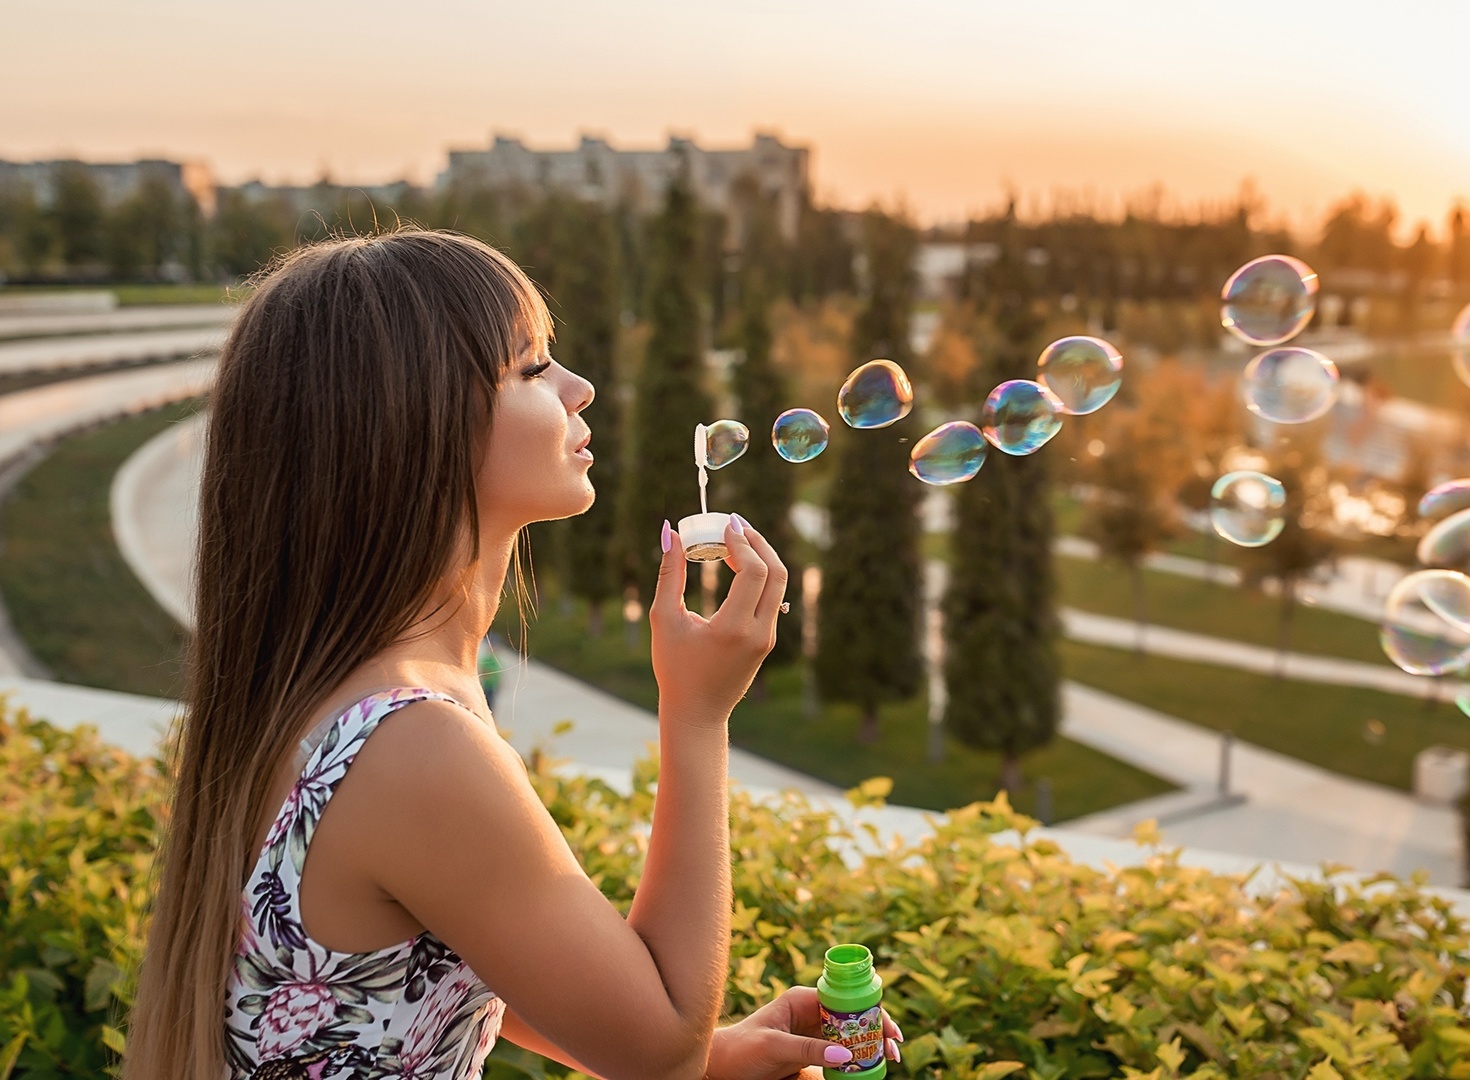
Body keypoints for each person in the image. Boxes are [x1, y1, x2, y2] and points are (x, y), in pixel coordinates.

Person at [123, 230, 900, 1080]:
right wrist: (698, 711)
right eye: (532, 369)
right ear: (415, 426)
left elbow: (454, 960)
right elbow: (659, 1050)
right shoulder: (413, 746)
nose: (580, 388)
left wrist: (715, 1053)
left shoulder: (345, 687)